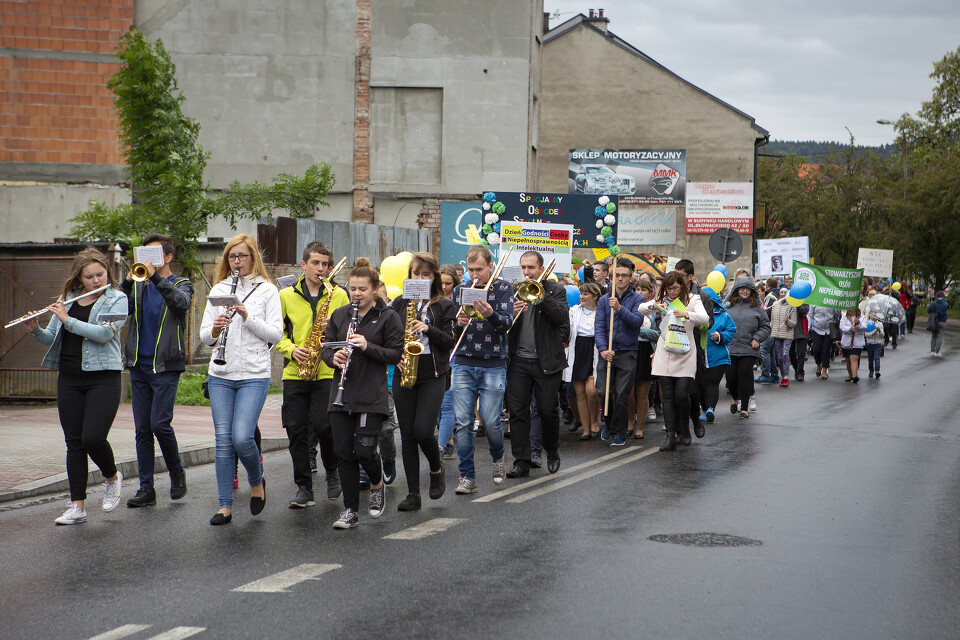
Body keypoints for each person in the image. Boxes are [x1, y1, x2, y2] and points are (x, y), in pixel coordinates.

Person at [26, 247, 128, 525]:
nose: (96, 280)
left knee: (92, 438)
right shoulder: (67, 300)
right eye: (89, 276)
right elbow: (51, 338)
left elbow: (105, 334)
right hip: (69, 377)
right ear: (79, 278)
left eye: (100, 274)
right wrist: (35, 329)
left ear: (107, 272)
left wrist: (67, 320)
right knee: (74, 443)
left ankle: (112, 476)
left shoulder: (117, 299)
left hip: (103, 378)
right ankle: (77, 506)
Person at [200, 234, 283, 526]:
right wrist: (214, 329)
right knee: (223, 441)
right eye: (232, 257)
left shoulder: (268, 290)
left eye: (242, 256)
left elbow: (276, 334)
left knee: (242, 436)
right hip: (221, 374)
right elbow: (203, 336)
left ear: (253, 258)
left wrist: (247, 317)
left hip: (253, 374)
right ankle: (225, 505)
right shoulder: (219, 289)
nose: (237, 262)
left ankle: (256, 481)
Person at [322, 258, 404, 528]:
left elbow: (395, 353)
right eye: (353, 289)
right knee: (344, 452)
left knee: (365, 452)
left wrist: (367, 345)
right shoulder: (339, 315)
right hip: (341, 395)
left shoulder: (388, 317)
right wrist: (334, 357)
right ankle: (350, 510)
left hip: (371, 394)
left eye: (362, 289)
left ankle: (377, 483)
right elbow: (326, 348)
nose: (356, 294)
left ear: (376, 288)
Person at [121, 234, 193, 508]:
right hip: (139, 365)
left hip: (164, 366)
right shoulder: (138, 286)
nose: (147, 262)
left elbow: (181, 304)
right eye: (144, 256)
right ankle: (146, 489)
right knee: (142, 430)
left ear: (168, 258)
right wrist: (126, 282)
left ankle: (176, 472)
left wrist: (154, 278)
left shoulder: (181, 283)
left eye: (154, 256)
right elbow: (118, 308)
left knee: (159, 424)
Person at [276, 242, 348, 509]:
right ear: (303, 265)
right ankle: (303, 487)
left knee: (324, 425)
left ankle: (332, 472)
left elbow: (347, 331)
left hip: (327, 370)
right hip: (296, 371)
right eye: (315, 263)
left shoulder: (339, 294)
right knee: (295, 429)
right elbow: (276, 334)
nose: (321, 268)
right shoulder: (285, 296)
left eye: (325, 264)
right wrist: (292, 349)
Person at [391, 253, 457, 511]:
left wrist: (427, 328)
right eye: (416, 274)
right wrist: (395, 355)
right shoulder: (399, 303)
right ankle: (413, 494)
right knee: (407, 435)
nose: (420, 278)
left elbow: (449, 340)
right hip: (404, 370)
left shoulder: (443, 306)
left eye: (426, 274)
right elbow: (387, 337)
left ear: (434, 278)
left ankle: (435, 467)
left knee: (422, 430)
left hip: (432, 373)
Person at [449, 245, 514, 494]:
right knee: (463, 422)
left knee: (490, 420)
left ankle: (498, 458)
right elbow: (453, 334)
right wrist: (457, 323)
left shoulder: (503, 288)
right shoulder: (460, 290)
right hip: (464, 361)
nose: (474, 275)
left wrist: (491, 314)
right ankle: (467, 476)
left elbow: (507, 323)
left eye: (479, 269)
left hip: (493, 362)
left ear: (490, 266)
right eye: (471, 269)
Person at [505, 251, 569, 478]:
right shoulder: (514, 291)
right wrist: (508, 313)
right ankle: (521, 460)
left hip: (546, 361)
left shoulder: (555, 290)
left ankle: (551, 450)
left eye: (531, 268)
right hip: (519, 360)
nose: (526, 272)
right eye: (523, 267)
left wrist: (541, 297)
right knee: (518, 412)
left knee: (547, 410)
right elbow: (503, 325)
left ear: (541, 269)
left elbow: (561, 318)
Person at [638, 271, 709, 450]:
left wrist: (686, 314)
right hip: (665, 351)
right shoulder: (663, 300)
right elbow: (641, 308)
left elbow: (704, 318)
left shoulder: (693, 299)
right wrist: (655, 306)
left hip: (685, 352)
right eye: (668, 288)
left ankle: (685, 428)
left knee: (682, 395)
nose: (671, 292)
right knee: (668, 397)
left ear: (682, 286)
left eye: (675, 288)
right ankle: (670, 436)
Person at [594, 258, 644, 446]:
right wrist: (602, 349)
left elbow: (637, 322)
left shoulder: (638, 298)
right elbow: (598, 327)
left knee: (622, 394)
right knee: (603, 392)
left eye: (624, 275)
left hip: (627, 352)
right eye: (617, 275)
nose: (620, 279)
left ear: (631, 278)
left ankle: (619, 432)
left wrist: (620, 309)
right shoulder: (603, 300)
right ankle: (609, 423)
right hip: (607, 351)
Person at [723, 277, 771, 419]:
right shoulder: (728, 306)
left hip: (749, 348)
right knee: (731, 378)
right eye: (741, 288)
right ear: (736, 290)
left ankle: (744, 408)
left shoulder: (757, 307)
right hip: (730, 347)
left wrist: (757, 338)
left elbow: (765, 326)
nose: (744, 291)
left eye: (747, 289)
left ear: (752, 291)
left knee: (744, 376)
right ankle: (734, 398)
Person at [565, 283, 602, 441]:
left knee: (591, 391)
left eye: (586, 294)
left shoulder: (602, 312)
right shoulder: (574, 311)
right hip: (577, 350)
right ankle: (586, 429)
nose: (582, 296)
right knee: (580, 394)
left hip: (593, 350)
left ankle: (594, 421)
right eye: (581, 293)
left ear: (595, 296)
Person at [700, 286, 736, 423]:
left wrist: (720, 336)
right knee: (701, 384)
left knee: (712, 384)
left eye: (709, 300)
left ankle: (710, 409)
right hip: (700, 356)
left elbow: (731, 330)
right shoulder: (695, 314)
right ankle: (704, 409)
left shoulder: (724, 316)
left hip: (718, 356)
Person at [628, 278, 659, 439]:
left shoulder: (655, 311)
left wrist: (640, 331)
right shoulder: (630, 306)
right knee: (628, 391)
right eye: (637, 289)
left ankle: (640, 427)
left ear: (650, 293)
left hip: (646, 351)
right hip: (630, 350)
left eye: (643, 290)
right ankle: (629, 421)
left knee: (642, 392)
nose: (639, 292)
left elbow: (659, 334)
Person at [437, 265, 461, 459]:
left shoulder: (460, 302)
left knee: (446, 405)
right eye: (441, 283)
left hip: (454, 357)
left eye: (448, 283)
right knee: (436, 405)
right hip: (435, 358)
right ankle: (449, 440)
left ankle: (441, 447)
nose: (444, 287)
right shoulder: (430, 302)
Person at [769, 293, 798, 388]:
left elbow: (793, 323)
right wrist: (771, 328)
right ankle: (783, 375)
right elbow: (772, 320)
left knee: (785, 354)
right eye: (781, 292)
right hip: (776, 335)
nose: (782, 295)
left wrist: (788, 321)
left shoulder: (792, 306)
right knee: (779, 357)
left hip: (787, 335)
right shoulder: (775, 305)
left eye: (784, 293)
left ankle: (786, 376)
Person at [808, 305, 838, 380]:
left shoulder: (831, 299)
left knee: (826, 350)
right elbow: (810, 314)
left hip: (828, 328)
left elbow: (837, 314)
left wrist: (837, 306)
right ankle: (818, 364)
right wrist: (808, 326)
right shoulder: (814, 301)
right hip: (816, 328)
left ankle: (824, 370)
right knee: (816, 349)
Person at [839, 308, 867, 382]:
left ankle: (855, 376)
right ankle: (850, 375)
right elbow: (841, 327)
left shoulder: (862, 317)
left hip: (857, 342)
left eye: (851, 310)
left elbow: (864, 327)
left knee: (853, 358)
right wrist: (849, 329)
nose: (849, 311)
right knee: (848, 359)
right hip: (847, 342)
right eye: (849, 310)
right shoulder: (844, 316)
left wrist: (859, 323)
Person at [928, 291, 949, 357]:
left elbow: (928, 311)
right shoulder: (945, 304)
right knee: (940, 336)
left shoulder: (933, 304)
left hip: (934, 322)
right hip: (942, 321)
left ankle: (932, 351)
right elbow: (946, 308)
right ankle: (937, 351)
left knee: (934, 336)